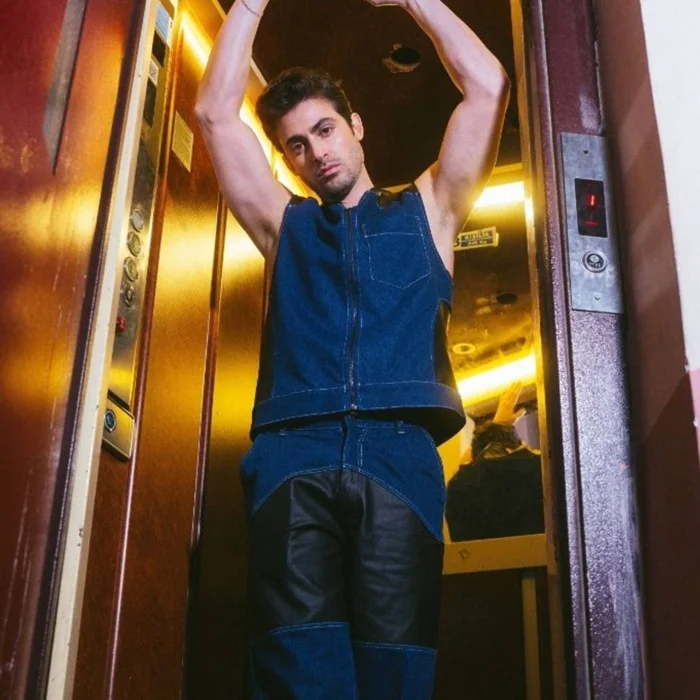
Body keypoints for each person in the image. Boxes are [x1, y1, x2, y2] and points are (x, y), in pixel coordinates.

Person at [195, 0, 509, 696]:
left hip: (399, 458)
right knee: (296, 674)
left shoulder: (431, 209)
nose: (317, 152)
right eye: (296, 145)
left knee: (396, 673)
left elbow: (488, 86)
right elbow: (214, 114)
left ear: (356, 125)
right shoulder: (282, 226)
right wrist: (249, 4)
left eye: (325, 129)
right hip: (292, 459)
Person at [446, 383, 545, 541]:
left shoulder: (458, 491)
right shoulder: (541, 474)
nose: (529, 448)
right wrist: (496, 433)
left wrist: (494, 432)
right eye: (524, 447)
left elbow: (465, 469)